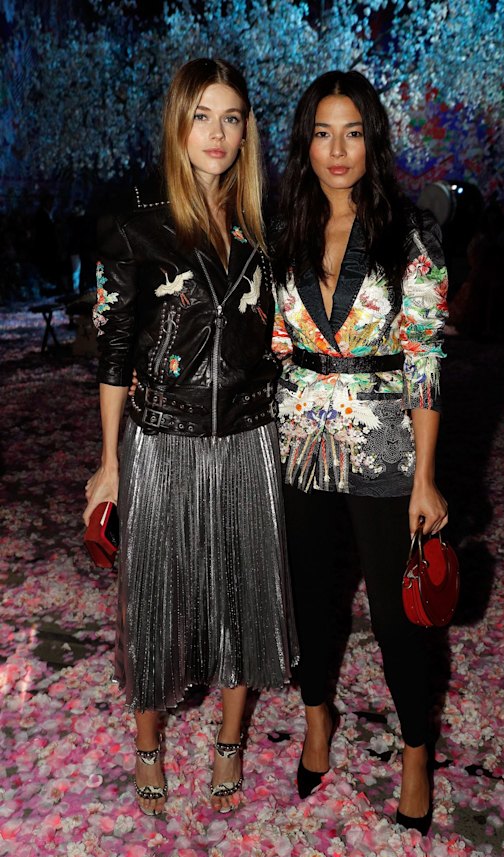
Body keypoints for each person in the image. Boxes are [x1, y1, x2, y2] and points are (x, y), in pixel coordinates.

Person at [83, 58, 297, 817]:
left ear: (247, 132)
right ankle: (148, 748)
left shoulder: (264, 234)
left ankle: (230, 747)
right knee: (154, 598)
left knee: (243, 594)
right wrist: (109, 462)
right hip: (161, 440)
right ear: (178, 126)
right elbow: (112, 353)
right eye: (202, 115)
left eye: (232, 117)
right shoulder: (137, 232)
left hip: (247, 439)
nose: (218, 132)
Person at [272, 70, 449, 835]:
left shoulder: (409, 234)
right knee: (310, 595)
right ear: (304, 143)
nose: (336, 149)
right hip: (298, 441)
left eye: (351, 132)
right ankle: (318, 720)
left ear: (372, 140)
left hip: (383, 445)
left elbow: (426, 358)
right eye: (322, 132)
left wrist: (428, 477)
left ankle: (415, 752)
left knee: (396, 609)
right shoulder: (286, 229)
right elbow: (278, 341)